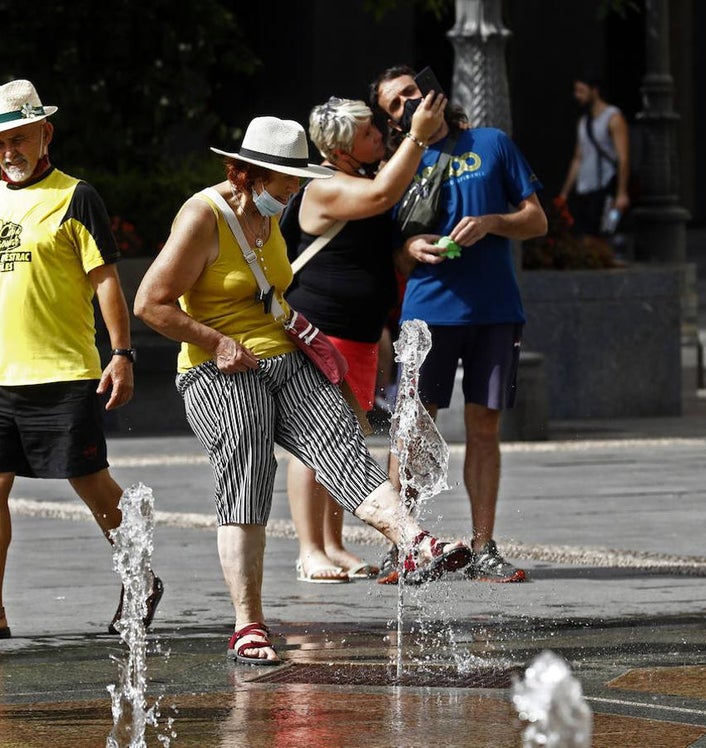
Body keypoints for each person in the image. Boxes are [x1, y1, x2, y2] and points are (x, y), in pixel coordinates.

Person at [133, 115, 473, 665]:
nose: (294, 190)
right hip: (217, 368)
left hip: (281, 354)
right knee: (248, 470)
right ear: (245, 173)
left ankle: (414, 545)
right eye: (285, 180)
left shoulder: (270, 217)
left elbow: (271, 295)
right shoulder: (203, 215)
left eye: (296, 179)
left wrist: (314, 344)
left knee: (342, 444)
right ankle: (248, 625)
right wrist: (215, 342)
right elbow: (150, 303)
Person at [0, 79, 162, 642]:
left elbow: (106, 280)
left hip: (64, 372)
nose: (9, 151)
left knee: (91, 481)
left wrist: (122, 354)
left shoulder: (76, 196)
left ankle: (141, 577)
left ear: (44, 134)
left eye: (19, 138)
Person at [369, 64, 548, 584]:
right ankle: (403, 543)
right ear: (393, 122)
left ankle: (483, 546)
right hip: (428, 312)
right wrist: (408, 247)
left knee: (484, 428)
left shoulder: (491, 144)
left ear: (434, 92)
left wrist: (494, 222)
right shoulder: (399, 165)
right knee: (411, 429)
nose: (408, 104)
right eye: (395, 105)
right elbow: (391, 254)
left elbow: (536, 220)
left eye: (411, 93)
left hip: (494, 311)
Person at [283, 94, 446, 583]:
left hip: (357, 333)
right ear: (341, 147)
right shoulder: (325, 186)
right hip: (322, 330)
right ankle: (310, 550)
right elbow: (381, 199)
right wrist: (417, 136)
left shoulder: (357, 179)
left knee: (340, 441)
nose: (380, 136)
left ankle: (334, 544)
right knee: (310, 443)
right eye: (370, 133)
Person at [557, 72, 630, 238]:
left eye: (581, 91)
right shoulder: (583, 122)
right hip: (585, 188)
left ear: (594, 91)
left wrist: (622, 192)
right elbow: (578, 158)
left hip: (606, 187)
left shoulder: (613, 117)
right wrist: (565, 193)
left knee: (607, 231)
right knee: (586, 233)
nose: (577, 96)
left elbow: (623, 157)